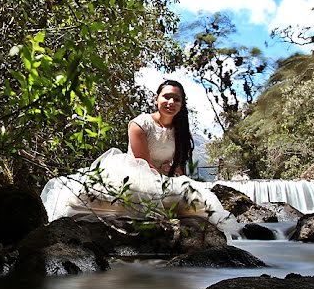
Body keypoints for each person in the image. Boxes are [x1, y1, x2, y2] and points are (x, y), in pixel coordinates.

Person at [40, 80, 232, 226]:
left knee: (195, 196)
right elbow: (143, 163)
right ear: (156, 99)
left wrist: (179, 178)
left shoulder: (180, 129)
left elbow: (178, 168)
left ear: (182, 104)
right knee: (88, 199)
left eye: (176, 99)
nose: (171, 102)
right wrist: (165, 174)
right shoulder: (139, 124)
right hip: (136, 177)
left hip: (163, 179)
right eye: (166, 96)